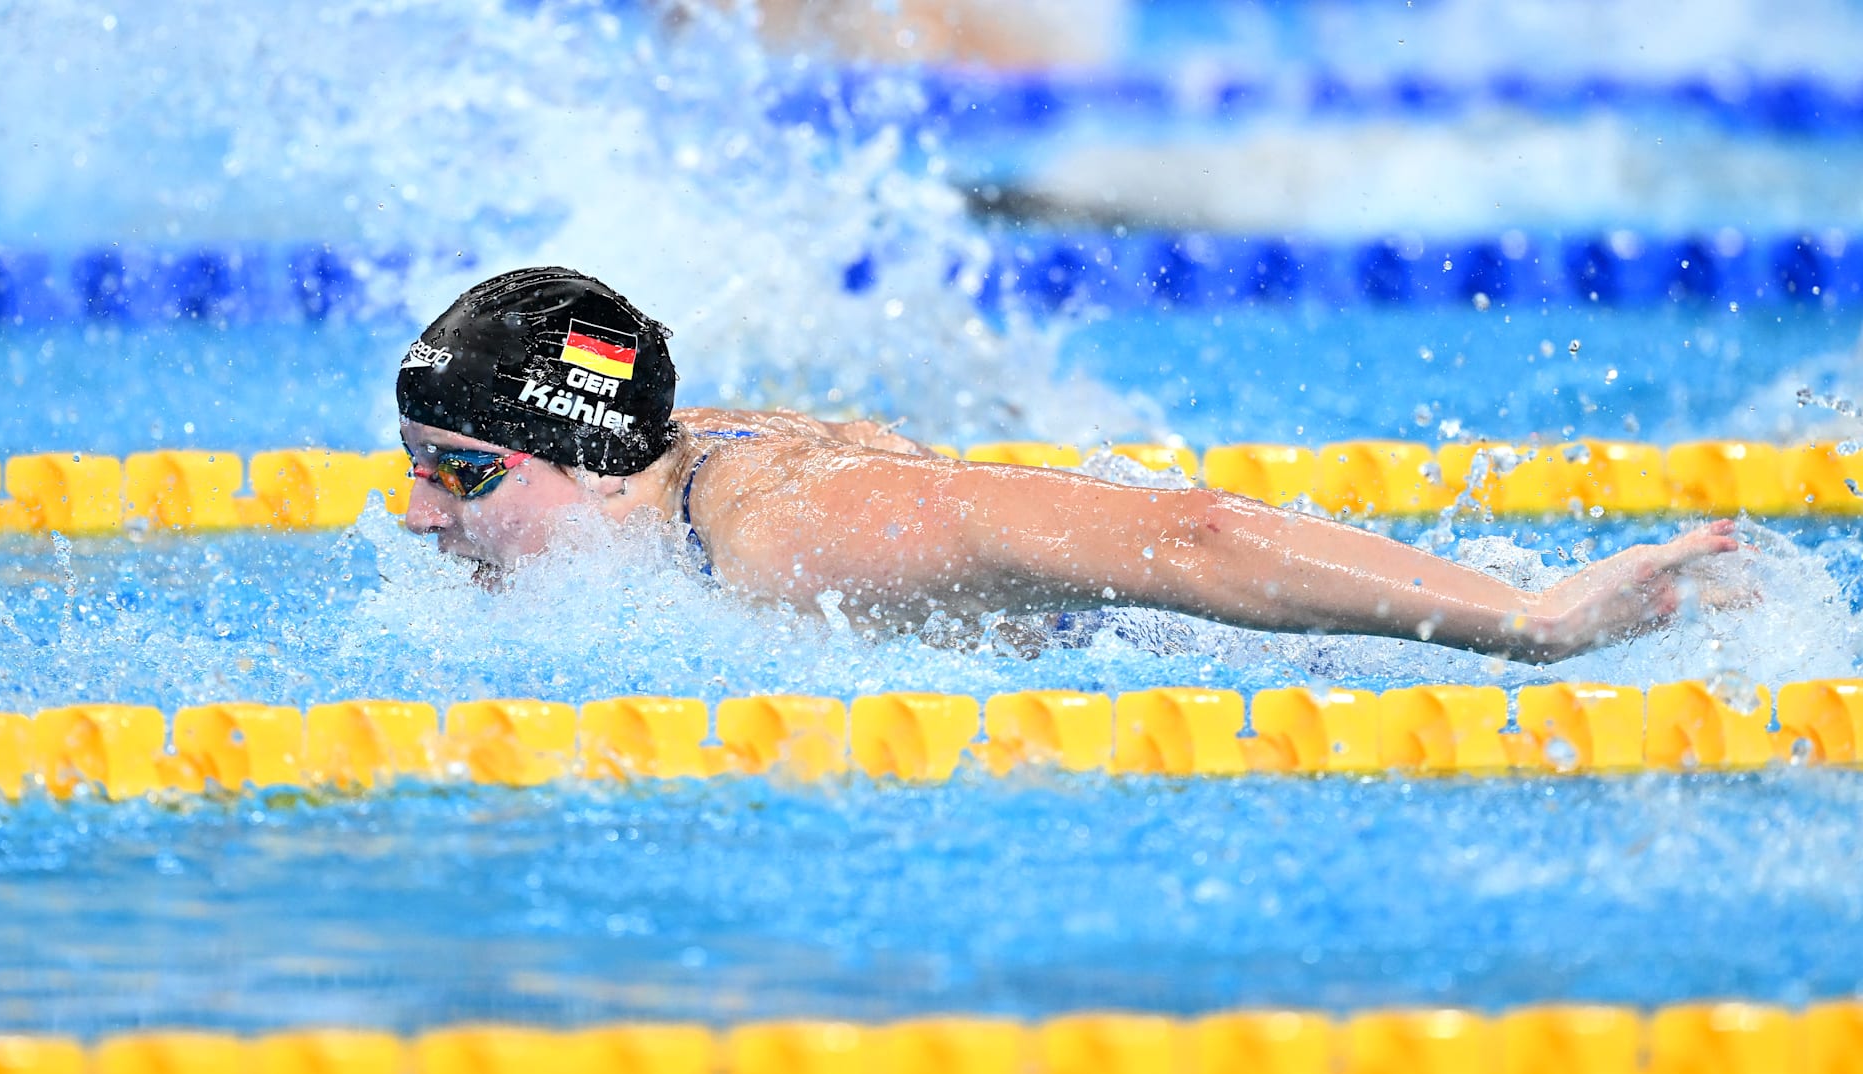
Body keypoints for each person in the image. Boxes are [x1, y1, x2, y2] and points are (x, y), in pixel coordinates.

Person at [397, 266, 1741, 663]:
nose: (415, 516)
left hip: (1250, 655)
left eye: (461, 475)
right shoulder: (662, 474)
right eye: (415, 469)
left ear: (579, 456)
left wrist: (1532, 623)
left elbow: (1190, 535)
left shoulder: (786, 534)